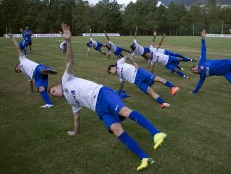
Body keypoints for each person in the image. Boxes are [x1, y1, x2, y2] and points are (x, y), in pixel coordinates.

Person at [48, 23, 167, 171]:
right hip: (100, 109)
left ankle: (157, 133)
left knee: (125, 111)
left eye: (53, 91)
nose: (55, 95)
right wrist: (75, 131)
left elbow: (70, 61)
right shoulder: (70, 100)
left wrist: (69, 41)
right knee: (117, 131)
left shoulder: (65, 80)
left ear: (57, 86)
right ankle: (145, 158)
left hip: (102, 94)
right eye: (53, 95)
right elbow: (77, 117)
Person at [108, 55, 180, 108]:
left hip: (139, 72)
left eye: (110, 72)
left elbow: (128, 56)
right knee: (149, 91)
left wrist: (134, 63)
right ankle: (163, 103)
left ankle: (173, 87)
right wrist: (118, 94)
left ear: (112, 68)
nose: (111, 74)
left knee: (157, 79)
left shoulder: (118, 63)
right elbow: (121, 85)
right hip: (137, 81)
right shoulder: (119, 76)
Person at [9, 33, 57, 109]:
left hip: (36, 68)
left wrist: (12, 38)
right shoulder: (25, 73)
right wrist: (32, 91)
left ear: (17, 65)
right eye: (18, 71)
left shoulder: (22, 59)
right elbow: (30, 81)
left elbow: (18, 48)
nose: (18, 71)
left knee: (40, 68)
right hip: (36, 77)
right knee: (41, 89)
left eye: (17, 69)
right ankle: (49, 103)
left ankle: (46, 70)